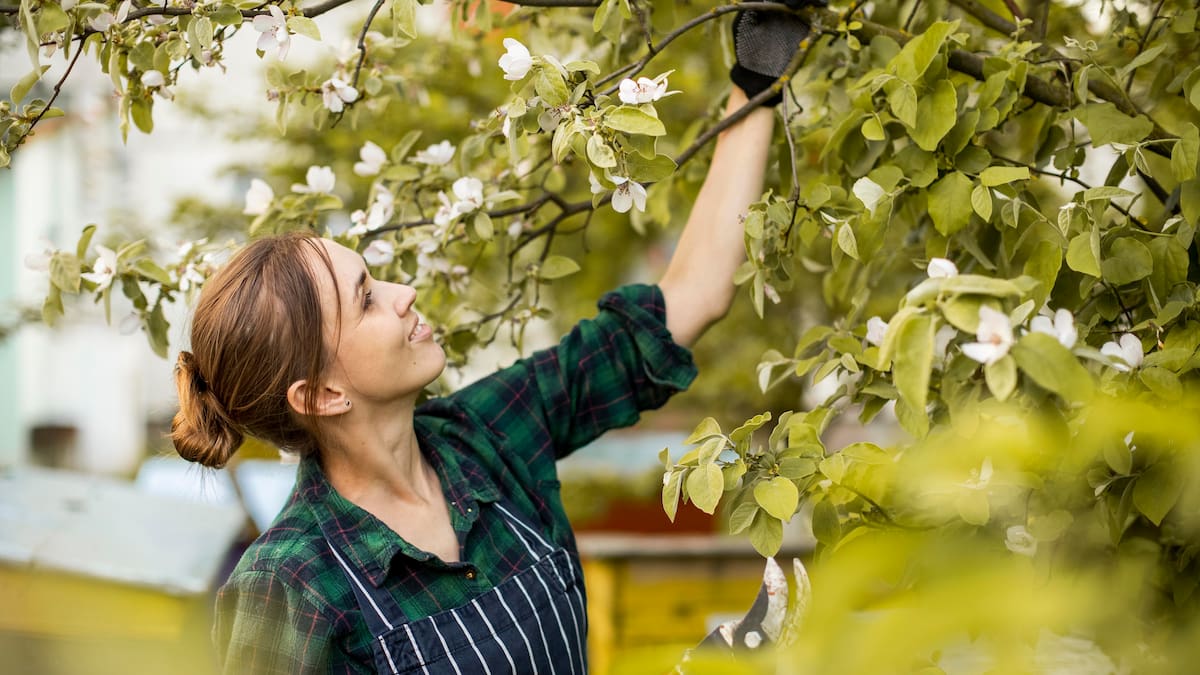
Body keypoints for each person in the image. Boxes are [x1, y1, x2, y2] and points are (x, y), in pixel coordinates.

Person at [171, 6, 816, 673]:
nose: (404, 294)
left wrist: (758, 76)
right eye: (367, 299)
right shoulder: (291, 584)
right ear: (322, 392)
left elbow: (688, 300)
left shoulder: (487, 439)